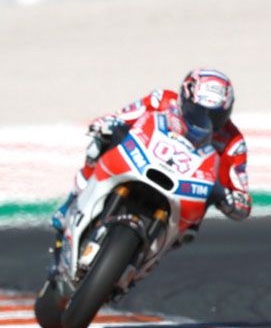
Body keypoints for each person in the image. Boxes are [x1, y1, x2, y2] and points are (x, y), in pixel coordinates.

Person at [52, 68, 252, 233]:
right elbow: (123, 116)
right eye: (198, 112)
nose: (205, 121)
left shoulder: (233, 143)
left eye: (215, 116)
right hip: (143, 161)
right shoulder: (161, 100)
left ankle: (146, 256)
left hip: (185, 193)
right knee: (97, 146)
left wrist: (231, 199)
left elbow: (241, 195)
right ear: (185, 99)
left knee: (188, 232)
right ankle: (71, 202)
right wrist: (106, 125)